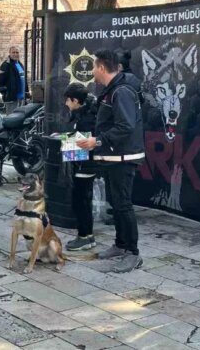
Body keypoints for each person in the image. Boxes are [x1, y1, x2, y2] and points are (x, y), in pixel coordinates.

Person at [77, 49, 145, 273]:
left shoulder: (122, 92)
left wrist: (97, 141)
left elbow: (126, 126)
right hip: (112, 156)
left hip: (123, 158)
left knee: (123, 204)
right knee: (116, 203)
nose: (93, 71)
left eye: (95, 67)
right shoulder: (112, 90)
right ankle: (121, 245)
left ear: (102, 68)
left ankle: (133, 253)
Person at [62, 83, 98, 251]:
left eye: (68, 101)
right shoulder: (85, 113)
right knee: (84, 200)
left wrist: (64, 143)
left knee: (80, 201)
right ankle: (87, 235)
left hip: (84, 165)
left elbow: (82, 146)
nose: (66, 104)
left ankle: (84, 236)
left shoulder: (86, 119)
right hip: (84, 163)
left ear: (75, 100)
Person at [0, 46, 29, 114]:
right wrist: (6, 93)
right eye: (13, 52)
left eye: (17, 52)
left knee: (20, 118)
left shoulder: (20, 64)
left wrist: (27, 92)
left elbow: (24, 80)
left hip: (21, 98)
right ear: (9, 53)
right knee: (11, 119)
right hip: (11, 98)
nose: (15, 54)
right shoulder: (5, 65)